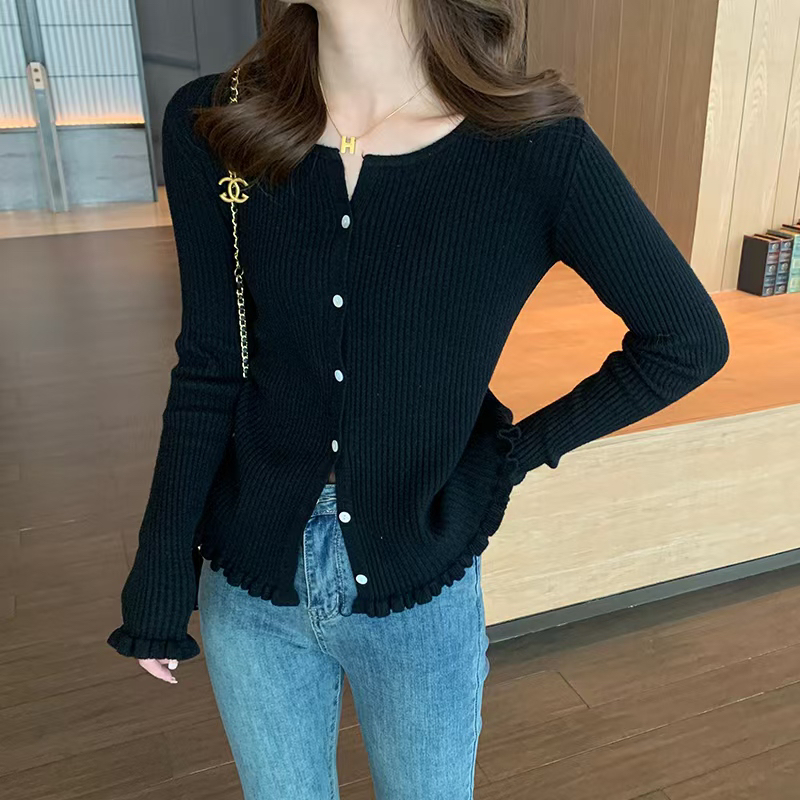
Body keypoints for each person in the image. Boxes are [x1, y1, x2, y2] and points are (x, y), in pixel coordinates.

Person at [107, 0, 730, 798]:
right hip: (249, 578)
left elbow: (687, 341)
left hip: (420, 590)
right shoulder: (216, 122)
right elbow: (209, 363)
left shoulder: (534, 150)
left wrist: (510, 456)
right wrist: (162, 561)